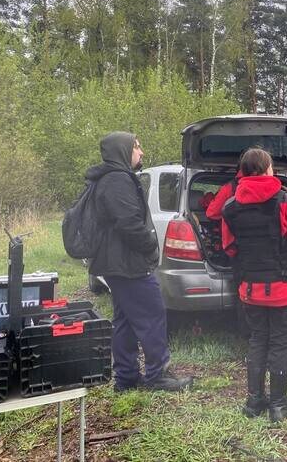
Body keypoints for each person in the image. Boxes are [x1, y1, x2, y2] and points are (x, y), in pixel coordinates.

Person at [86, 132, 193, 392]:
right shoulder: (117, 180)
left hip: (118, 263)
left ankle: (126, 377)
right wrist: (150, 245)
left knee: (124, 320)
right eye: (136, 147)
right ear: (123, 151)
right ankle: (158, 375)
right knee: (153, 315)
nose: (141, 152)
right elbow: (129, 224)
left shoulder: (111, 179)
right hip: (128, 264)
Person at [222, 148, 287, 422]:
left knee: (257, 339)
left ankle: (254, 401)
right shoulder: (286, 201)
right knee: (280, 343)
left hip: (250, 290)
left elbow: (229, 247)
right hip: (283, 289)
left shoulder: (230, 207)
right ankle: (279, 405)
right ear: (268, 168)